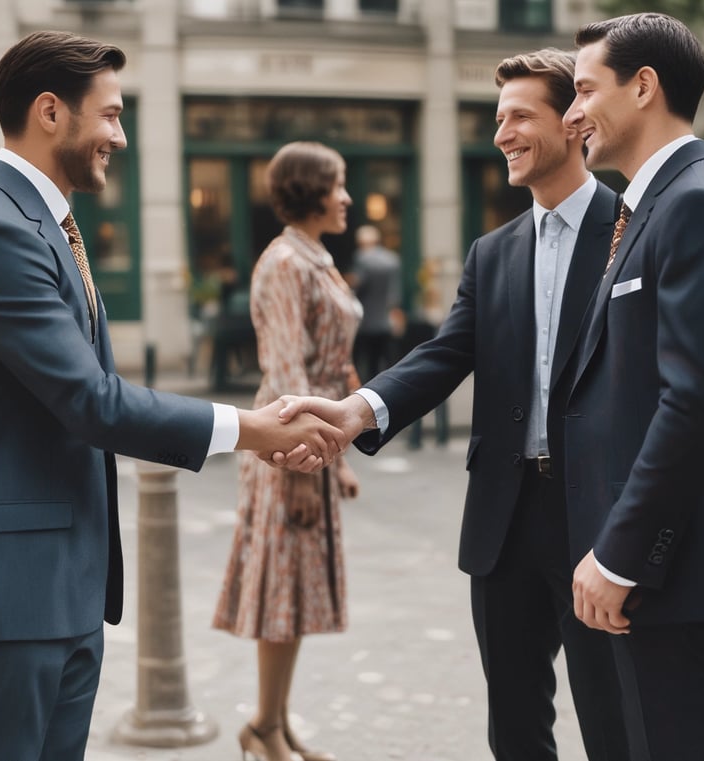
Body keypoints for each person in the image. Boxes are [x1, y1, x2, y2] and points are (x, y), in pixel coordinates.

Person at [0, 32, 344, 761]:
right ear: (49, 112)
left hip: (60, 586)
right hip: (9, 595)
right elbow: (93, 402)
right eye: (109, 116)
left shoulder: (44, 223)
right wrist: (253, 428)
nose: (119, 136)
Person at [276, 50, 630, 761]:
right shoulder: (491, 252)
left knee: (616, 726)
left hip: (600, 520)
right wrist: (356, 410)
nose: (502, 133)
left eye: (519, 116)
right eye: (497, 118)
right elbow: (445, 354)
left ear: (572, 122)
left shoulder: (635, 226)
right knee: (515, 730)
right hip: (505, 520)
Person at [560, 13, 704, 760]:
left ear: (644, 86)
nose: (571, 113)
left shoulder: (697, 201)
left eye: (585, 89)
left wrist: (620, 555)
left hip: (679, 585)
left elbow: (693, 401)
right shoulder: (648, 206)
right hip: (656, 585)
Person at [212, 141, 361, 761]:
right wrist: (299, 465)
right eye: (339, 185)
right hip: (289, 449)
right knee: (281, 594)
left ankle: (270, 722)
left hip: (313, 443)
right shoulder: (285, 262)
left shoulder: (316, 257)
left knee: (295, 594)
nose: (348, 197)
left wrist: (341, 458)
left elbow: (334, 366)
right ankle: (266, 730)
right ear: (310, 191)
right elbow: (286, 370)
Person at [349, 224, 404, 381]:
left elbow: (357, 288)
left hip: (365, 322)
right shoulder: (392, 259)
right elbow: (395, 293)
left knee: (366, 365)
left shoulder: (361, 259)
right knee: (387, 361)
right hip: (386, 320)